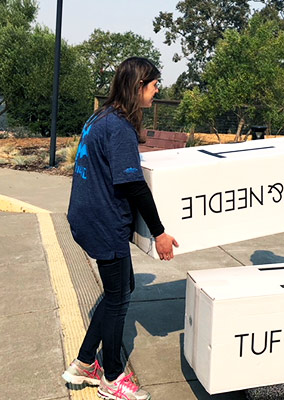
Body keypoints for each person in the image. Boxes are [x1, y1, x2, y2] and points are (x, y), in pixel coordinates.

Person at [62, 57, 178, 400]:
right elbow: (133, 185)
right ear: (138, 85)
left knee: (122, 287)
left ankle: (85, 363)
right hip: (103, 221)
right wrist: (159, 232)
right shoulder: (119, 127)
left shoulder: (102, 116)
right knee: (118, 300)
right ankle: (112, 377)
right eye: (154, 85)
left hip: (88, 215)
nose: (156, 91)